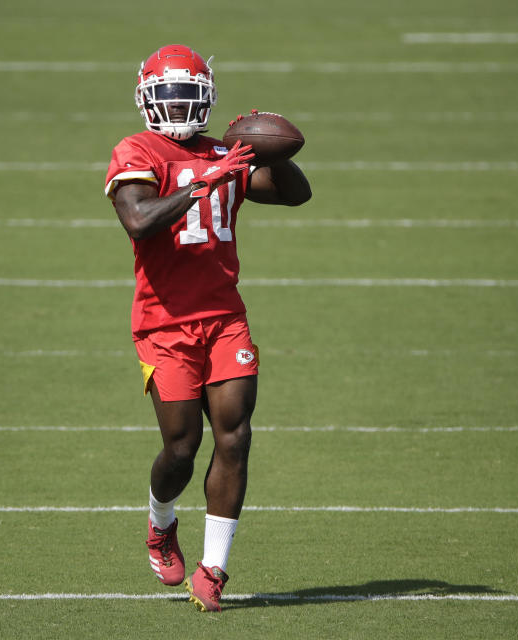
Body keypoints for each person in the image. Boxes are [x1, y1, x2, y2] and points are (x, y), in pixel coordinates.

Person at [104, 44, 311, 613]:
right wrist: (201, 180)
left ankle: (213, 569)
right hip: (164, 324)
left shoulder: (222, 149)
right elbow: (138, 219)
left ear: (207, 98)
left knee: (235, 435)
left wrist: (268, 150)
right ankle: (160, 520)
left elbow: (297, 193)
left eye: (187, 94)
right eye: (166, 94)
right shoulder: (136, 150)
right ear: (146, 99)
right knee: (181, 446)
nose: (176, 105)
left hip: (224, 319)